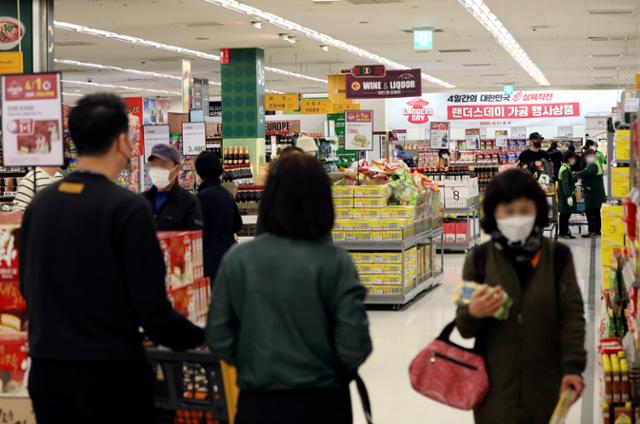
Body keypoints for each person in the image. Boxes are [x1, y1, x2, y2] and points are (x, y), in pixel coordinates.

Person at [19, 93, 205, 423]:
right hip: (108, 374)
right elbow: (150, 307)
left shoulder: (39, 206)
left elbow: (26, 287)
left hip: (47, 372)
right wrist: (199, 338)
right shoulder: (127, 209)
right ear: (121, 141)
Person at [207, 152, 372, 424]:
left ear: (270, 198)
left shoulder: (239, 261)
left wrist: (252, 364)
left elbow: (218, 335)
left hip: (258, 401)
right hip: (323, 402)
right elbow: (355, 343)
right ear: (322, 201)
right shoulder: (335, 263)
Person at [455, 169, 586, 424]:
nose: (517, 219)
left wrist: (572, 367)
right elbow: (463, 327)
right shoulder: (479, 259)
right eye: (509, 211)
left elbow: (572, 316)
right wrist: (473, 312)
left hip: (545, 388)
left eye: (525, 211)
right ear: (494, 213)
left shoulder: (557, 257)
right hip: (493, 390)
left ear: (537, 212)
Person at [195, 151, 243, 282]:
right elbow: (238, 224)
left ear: (199, 173)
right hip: (229, 255)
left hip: (207, 260)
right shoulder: (227, 195)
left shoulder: (200, 198)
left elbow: (196, 231)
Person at [142, 144, 202, 231]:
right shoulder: (141, 201)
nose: (157, 169)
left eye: (163, 165)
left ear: (177, 169)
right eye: (154, 165)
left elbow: (194, 238)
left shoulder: (189, 202)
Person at [573, 149, 606, 238]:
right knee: (595, 212)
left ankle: (593, 231)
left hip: (593, 193)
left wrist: (574, 174)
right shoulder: (595, 163)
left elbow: (586, 172)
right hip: (595, 192)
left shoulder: (593, 164)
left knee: (590, 211)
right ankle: (596, 231)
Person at [558, 151, 578, 239]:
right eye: (573, 158)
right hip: (565, 195)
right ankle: (563, 232)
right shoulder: (565, 169)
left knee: (566, 214)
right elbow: (565, 184)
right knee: (564, 214)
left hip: (565, 194)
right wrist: (568, 196)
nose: (574, 160)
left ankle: (565, 231)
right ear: (568, 159)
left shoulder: (566, 167)